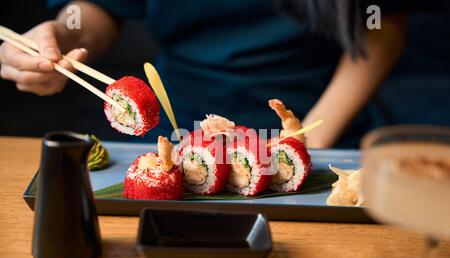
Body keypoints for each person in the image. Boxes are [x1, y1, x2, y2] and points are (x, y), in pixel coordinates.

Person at [0, 0, 407, 147]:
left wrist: (311, 139)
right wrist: (59, 37)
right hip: (172, 129)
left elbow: (382, 23)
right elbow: (98, 10)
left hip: (322, 121)